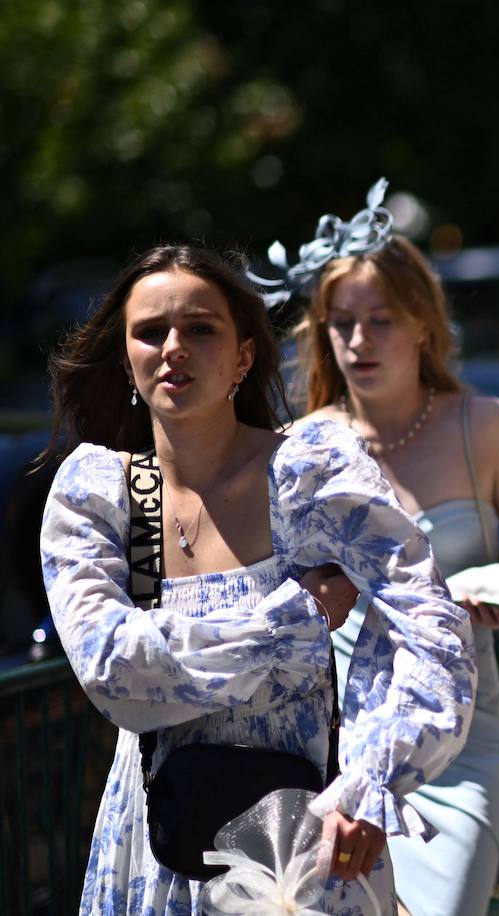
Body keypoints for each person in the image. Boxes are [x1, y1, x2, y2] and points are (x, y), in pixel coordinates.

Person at [38, 245, 475, 913]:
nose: (174, 347)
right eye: (151, 331)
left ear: (244, 355)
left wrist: (371, 778)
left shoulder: (309, 472)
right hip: (163, 845)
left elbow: (428, 623)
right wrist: (294, 620)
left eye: (201, 328)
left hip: (306, 841)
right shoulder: (97, 494)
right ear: (127, 356)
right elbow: (116, 674)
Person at [283, 189, 499, 915]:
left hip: (467, 746)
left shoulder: (485, 426)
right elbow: (278, 590)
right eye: (341, 323)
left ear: (423, 328)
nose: (359, 341)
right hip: (347, 755)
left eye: (380, 320)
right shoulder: (307, 447)